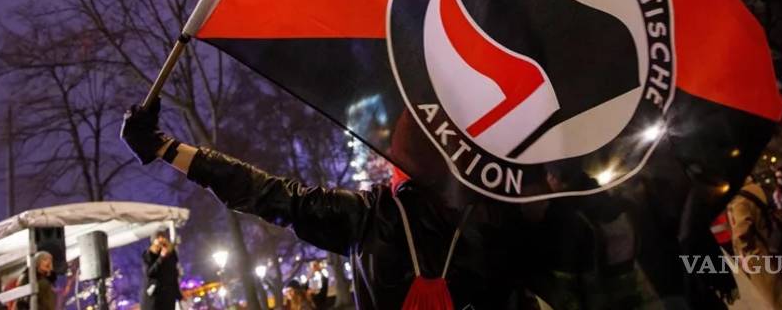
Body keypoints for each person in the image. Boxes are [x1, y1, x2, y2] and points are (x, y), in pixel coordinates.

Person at [121, 100, 522, 310]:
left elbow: (263, 191)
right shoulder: (498, 215)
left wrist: (164, 147)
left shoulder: (367, 215)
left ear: (399, 160)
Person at [727, 175, 782, 310]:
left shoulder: (740, 199)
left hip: (758, 254)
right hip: (776, 245)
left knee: (771, 300)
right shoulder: (761, 189)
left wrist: (742, 253)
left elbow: (742, 229)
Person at [140, 232, 181, 310]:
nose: (161, 240)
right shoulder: (149, 254)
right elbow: (149, 273)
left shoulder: (171, 253)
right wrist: (161, 258)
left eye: (163, 237)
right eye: (158, 238)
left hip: (168, 296)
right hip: (155, 297)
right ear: (153, 241)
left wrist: (178, 294)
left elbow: (174, 274)